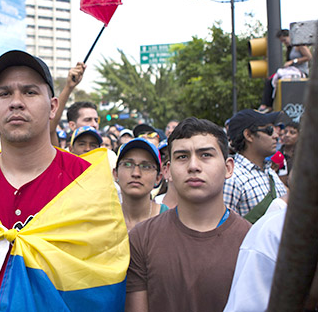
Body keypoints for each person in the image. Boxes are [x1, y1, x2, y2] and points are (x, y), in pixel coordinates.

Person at [0, 50, 128, 311]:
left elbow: (104, 282)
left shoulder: (87, 182)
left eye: (29, 92)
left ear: (53, 107)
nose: (16, 102)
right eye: (5, 93)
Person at [125, 117, 251, 312]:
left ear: (228, 168)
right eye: (182, 156)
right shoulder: (142, 238)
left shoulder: (251, 242)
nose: (193, 166)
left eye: (206, 155)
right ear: (167, 171)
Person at [224, 109, 287, 223]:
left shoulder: (270, 173)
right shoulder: (232, 179)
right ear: (248, 135)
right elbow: (223, 231)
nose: (276, 136)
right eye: (269, 130)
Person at [114, 138, 167, 232]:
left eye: (146, 166)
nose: (136, 173)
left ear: (158, 178)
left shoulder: (168, 219)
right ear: (115, 174)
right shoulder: (104, 220)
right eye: (128, 164)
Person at [258, 29, 313, 113]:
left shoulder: (299, 45)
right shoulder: (290, 48)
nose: (284, 42)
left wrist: (293, 61)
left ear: (290, 36)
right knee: (271, 80)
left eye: (284, 40)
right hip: (291, 70)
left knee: (282, 77)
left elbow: (309, 57)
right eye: (282, 41)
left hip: (300, 72)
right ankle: (268, 104)